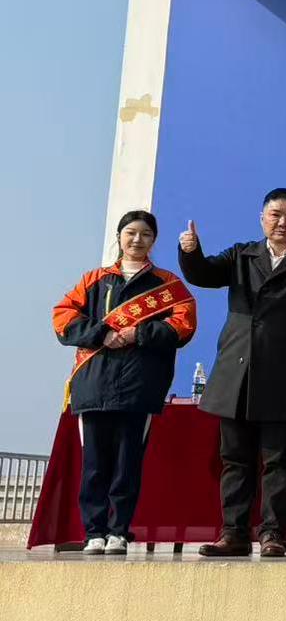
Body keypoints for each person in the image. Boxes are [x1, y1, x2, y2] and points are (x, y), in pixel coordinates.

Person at [179, 189, 286, 558]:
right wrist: (190, 251)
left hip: (284, 374)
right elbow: (203, 274)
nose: (283, 222)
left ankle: (273, 534)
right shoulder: (242, 254)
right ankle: (233, 533)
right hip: (237, 370)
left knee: (279, 462)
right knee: (235, 460)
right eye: (275, 214)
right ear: (262, 218)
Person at [54, 210, 197, 555]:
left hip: (140, 388)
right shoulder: (93, 280)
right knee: (94, 466)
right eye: (131, 232)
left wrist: (139, 333)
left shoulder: (168, 285)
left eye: (145, 234)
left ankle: (118, 531)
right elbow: (63, 316)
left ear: (154, 240)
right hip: (94, 385)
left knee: (127, 466)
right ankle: (94, 532)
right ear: (119, 237)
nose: (137, 240)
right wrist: (102, 333)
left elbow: (183, 325)